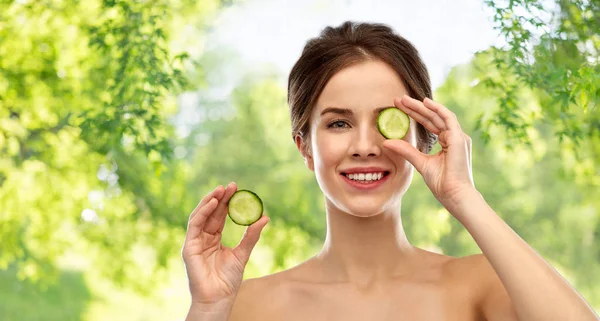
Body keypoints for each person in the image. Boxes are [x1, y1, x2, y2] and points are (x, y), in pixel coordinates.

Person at [182, 21, 599, 321]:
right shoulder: (245, 306)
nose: (365, 147)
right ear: (304, 147)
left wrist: (465, 198)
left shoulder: (480, 285)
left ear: (424, 137)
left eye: (387, 122)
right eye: (339, 123)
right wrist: (207, 310)